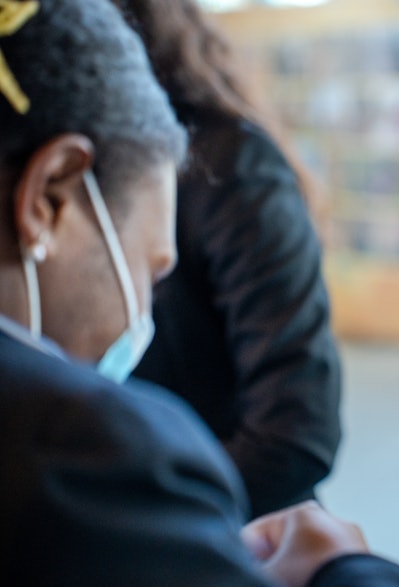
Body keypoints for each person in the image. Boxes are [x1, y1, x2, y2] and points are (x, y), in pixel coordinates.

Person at [0, 1, 399, 585]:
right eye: (150, 273)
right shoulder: (86, 457)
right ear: (48, 198)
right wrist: (347, 570)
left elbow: (295, 426)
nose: (143, 312)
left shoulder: (235, 167)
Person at [111, 0, 341, 517]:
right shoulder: (84, 171)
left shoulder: (232, 165)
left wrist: (144, 521)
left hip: (229, 528)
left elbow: (296, 433)